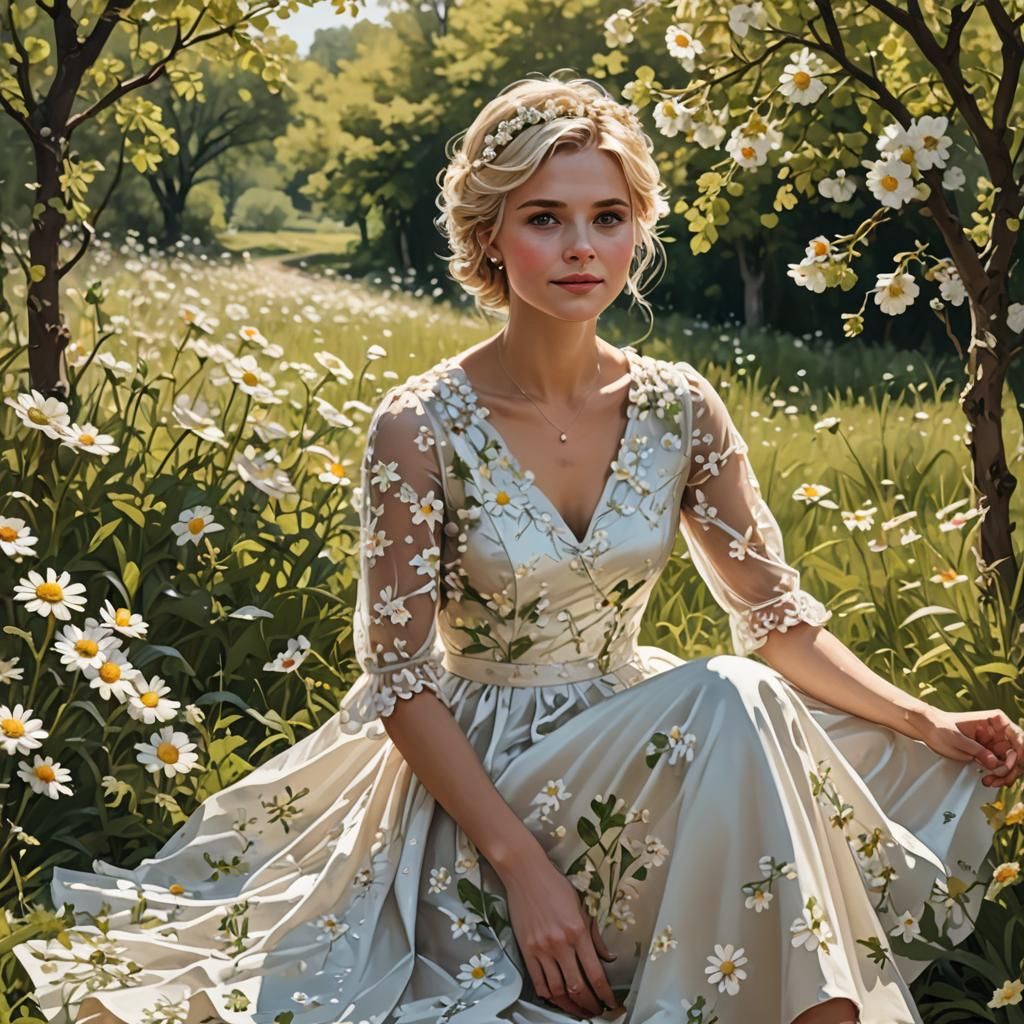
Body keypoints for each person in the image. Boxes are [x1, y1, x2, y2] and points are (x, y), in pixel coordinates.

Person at [12, 72, 1023, 1024]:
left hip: (642, 741)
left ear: (636, 232)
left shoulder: (682, 408)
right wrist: (522, 868)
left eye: (606, 217)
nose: (581, 247)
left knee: (745, 697)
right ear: (489, 238)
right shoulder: (419, 425)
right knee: (729, 699)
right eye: (545, 218)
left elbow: (775, 621)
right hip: (480, 775)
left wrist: (926, 718)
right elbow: (399, 675)